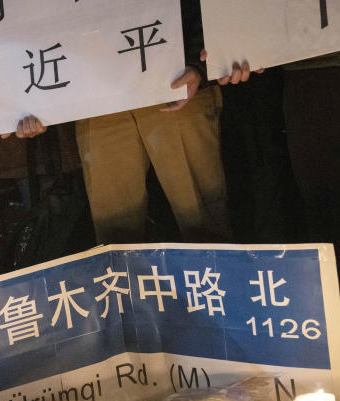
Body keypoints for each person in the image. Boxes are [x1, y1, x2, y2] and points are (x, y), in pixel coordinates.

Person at [70, 1, 230, 243]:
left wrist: (199, 61)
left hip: (173, 75)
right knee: (114, 229)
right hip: (99, 91)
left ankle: (216, 279)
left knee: (203, 218)